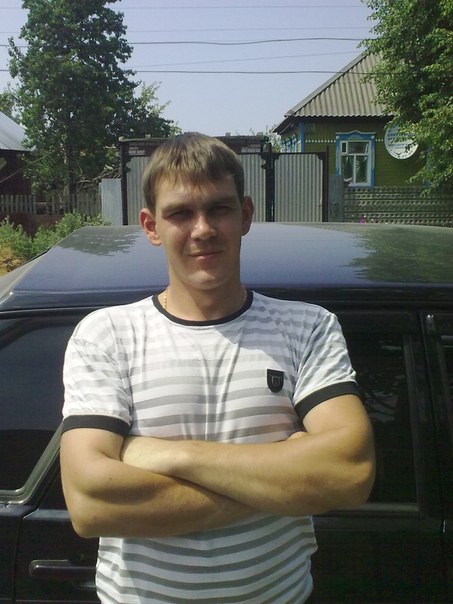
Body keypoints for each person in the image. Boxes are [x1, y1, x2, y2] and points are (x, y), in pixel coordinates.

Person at [60, 132, 375, 603]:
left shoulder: (308, 327)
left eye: (219, 209)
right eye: (180, 213)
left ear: (245, 215)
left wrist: (172, 456)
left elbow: (350, 473)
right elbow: (90, 504)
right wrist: (285, 481)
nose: (203, 229)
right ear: (151, 225)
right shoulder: (106, 335)